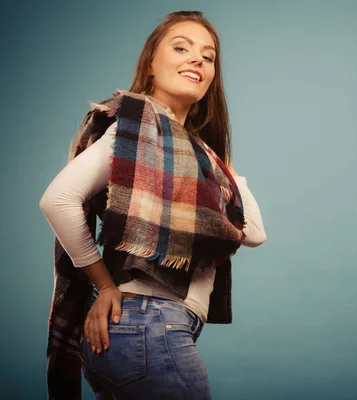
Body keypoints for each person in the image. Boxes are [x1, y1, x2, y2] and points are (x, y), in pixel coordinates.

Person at [39, 11, 266, 400]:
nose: (197, 59)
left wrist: (222, 167)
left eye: (208, 56)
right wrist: (104, 285)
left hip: (143, 332)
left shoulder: (200, 159)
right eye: (181, 48)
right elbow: (57, 200)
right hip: (147, 324)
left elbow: (254, 234)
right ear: (150, 68)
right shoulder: (134, 133)